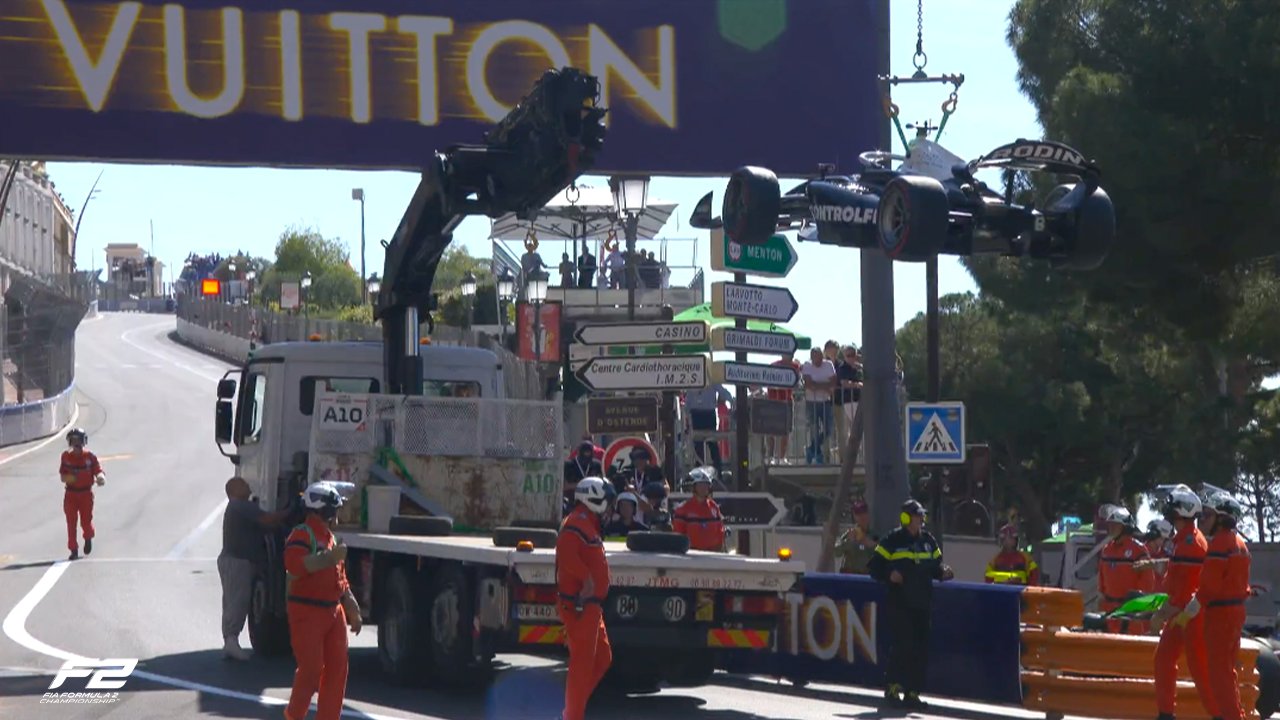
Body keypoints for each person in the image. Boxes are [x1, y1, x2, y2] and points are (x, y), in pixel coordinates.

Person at [283, 481, 362, 720]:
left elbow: (341, 579)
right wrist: (328, 558)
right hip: (306, 612)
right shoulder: (302, 534)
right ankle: (294, 715)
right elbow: (295, 565)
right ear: (324, 510)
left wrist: (352, 607)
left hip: (332, 611)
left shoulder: (332, 540)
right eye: (334, 509)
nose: (336, 515)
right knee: (311, 669)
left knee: (338, 669)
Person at [868, 499, 954, 709]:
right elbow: (874, 568)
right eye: (917, 516)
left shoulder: (928, 540)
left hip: (923, 603)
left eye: (921, 516)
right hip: (900, 603)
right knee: (903, 645)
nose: (921, 519)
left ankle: (912, 693)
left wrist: (943, 572)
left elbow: (935, 566)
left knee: (920, 648)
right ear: (906, 518)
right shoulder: (892, 540)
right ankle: (892, 689)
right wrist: (890, 574)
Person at [1148, 484, 1219, 720]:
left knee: (1200, 671)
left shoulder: (1191, 542)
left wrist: (1162, 613)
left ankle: (1220, 715)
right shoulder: (1181, 540)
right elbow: (1174, 582)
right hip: (1181, 613)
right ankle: (1166, 714)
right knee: (1164, 659)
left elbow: (1187, 590)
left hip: (1193, 615)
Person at [557, 477, 615, 720]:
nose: (610, 508)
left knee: (602, 658)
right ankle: (573, 715)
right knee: (581, 665)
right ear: (594, 499)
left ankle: (571, 710)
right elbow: (567, 555)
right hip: (580, 606)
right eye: (607, 502)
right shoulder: (576, 523)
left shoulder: (587, 524)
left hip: (592, 607)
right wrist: (587, 579)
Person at [219, 477, 291, 660]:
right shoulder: (240, 506)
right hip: (237, 561)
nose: (248, 486)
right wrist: (291, 510)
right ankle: (231, 641)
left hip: (234, 560)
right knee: (237, 600)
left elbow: (267, 525)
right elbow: (268, 519)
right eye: (244, 484)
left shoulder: (240, 507)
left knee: (232, 599)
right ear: (234, 489)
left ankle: (230, 640)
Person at [1195, 492, 1252, 720]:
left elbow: (1209, 585)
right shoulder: (1239, 544)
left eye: (1208, 515)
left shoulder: (1219, 544)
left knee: (1218, 672)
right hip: (1235, 611)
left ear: (1221, 518)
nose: (1203, 520)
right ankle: (1235, 714)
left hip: (1220, 613)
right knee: (1228, 671)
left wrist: (1191, 607)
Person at [1096, 505, 1153, 633]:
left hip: (1129, 612)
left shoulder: (1138, 550)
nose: (1111, 528)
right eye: (1110, 525)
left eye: (1115, 525)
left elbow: (1147, 581)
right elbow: (1101, 577)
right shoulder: (1107, 550)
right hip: (1109, 610)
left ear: (1125, 527)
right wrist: (1101, 596)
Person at [59, 427, 106, 561]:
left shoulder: (90, 457)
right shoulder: (66, 457)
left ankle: (88, 536)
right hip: (71, 495)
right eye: (73, 441)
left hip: (85, 494)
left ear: (83, 442)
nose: (76, 444)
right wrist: (72, 478)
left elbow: (98, 470)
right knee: (71, 522)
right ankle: (73, 549)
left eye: (78, 441)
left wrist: (100, 477)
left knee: (86, 521)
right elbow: (62, 476)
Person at [672, 469, 725, 552]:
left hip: (713, 556)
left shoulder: (714, 507)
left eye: (706, 485)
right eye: (700, 485)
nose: (704, 488)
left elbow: (720, 532)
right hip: (691, 556)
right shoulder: (683, 509)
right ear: (693, 487)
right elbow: (678, 536)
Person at [835, 499, 878, 574]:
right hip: (849, 576)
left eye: (864, 513)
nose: (862, 517)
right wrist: (849, 542)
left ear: (868, 514)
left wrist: (871, 545)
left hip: (866, 576)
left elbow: (883, 557)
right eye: (858, 514)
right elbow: (836, 552)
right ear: (854, 517)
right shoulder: (850, 533)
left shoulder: (874, 535)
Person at [564, 441, 604, 512]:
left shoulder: (596, 465)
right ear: (579, 452)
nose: (587, 456)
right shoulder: (568, 465)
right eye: (585, 453)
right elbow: (563, 486)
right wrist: (584, 484)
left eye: (589, 453)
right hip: (573, 502)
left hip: (592, 503)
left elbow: (602, 484)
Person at [1143, 519, 1175, 593]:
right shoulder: (1140, 551)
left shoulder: (1167, 555)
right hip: (1144, 597)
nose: (1163, 541)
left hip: (1161, 599)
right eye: (1161, 538)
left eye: (1164, 539)